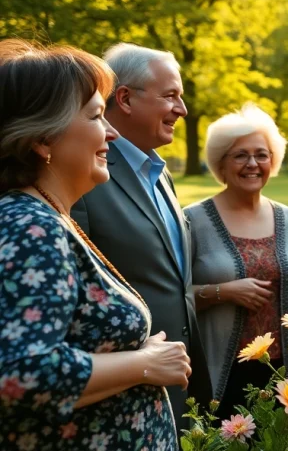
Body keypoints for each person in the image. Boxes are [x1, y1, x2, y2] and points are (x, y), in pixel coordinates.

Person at [0, 40, 189, 449]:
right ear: (43, 138)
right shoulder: (31, 228)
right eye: (96, 116)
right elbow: (21, 375)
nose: (111, 132)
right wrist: (145, 363)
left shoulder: (47, 216)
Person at [71, 43, 212, 430]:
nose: (182, 110)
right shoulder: (84, 174)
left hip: (176, 381)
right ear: (126, 99)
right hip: (118, 397)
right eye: (171, 96)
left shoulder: (160, 172)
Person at [185, 104, 288, 418]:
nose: (252, 164)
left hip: (281, 372)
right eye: (240, 155)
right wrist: (224, 291)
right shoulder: (193, 221)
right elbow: (173, 298)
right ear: (220, 164)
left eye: (261, 155)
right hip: (220, 372)